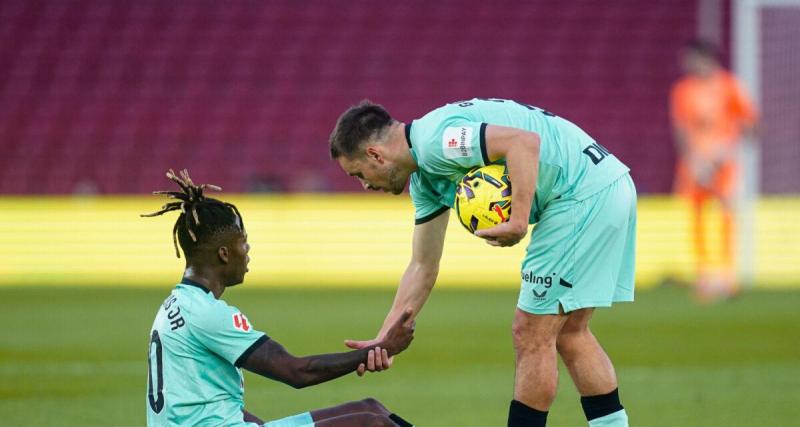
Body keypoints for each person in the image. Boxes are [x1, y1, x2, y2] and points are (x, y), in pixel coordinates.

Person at [329, 98, 636, 427]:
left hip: (581, 195)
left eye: (359, 174)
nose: (364, 185)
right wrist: (385, 338)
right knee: (570, 332)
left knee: (530, 331)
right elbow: (422, 265)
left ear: (376, 154)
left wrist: (518, 220)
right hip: (607, 184)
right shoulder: (425, 178)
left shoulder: (436, 141)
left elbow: (523, 143)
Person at [142, 169, 415, 427]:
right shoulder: (209, 313)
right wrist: (383, 348)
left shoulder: (176, 306)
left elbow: (213, 406)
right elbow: (296, 371)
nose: (247, 249)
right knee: (369, 423)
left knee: (372, 408)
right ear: (224, 253)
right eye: (243, 241)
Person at [670, 39, 758, 300]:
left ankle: (727, 276)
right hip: (695, 165)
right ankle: (703, 275)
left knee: (726, 216)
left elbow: (750, 124)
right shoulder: (683, 90)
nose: (687, 65)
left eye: (691, 59)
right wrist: (693, 160)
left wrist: (727, 150)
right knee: (697, 218)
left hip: (724, 165)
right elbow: (681, 130)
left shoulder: (729, 86)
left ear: (705, 58)